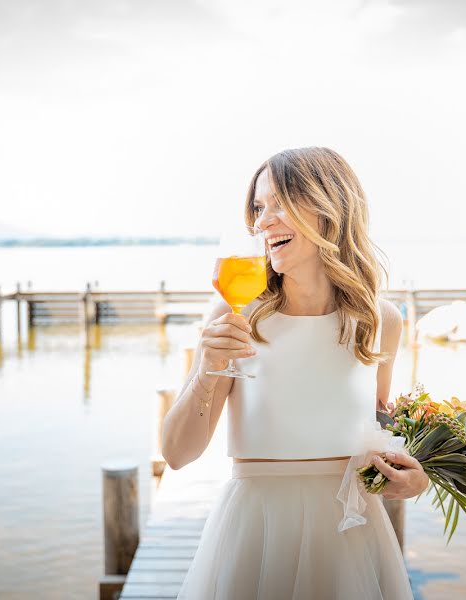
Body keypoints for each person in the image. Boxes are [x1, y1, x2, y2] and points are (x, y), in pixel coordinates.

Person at [161, 147, 428, 599]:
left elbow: (384, 439)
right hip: (256, 532)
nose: (262, 222)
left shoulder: (381, 321)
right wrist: (207, 371)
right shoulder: (237, 311)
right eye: (258, 209)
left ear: (330, 209)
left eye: (278, 204)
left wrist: (417, 478)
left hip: (351, 537)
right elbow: (176, 454)